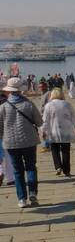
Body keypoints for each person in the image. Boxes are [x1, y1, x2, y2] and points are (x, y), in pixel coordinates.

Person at [0, 76, 43, 207]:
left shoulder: (3, 107)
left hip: (11, 143)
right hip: (29, 141)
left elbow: (0, 127)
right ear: (20, 90)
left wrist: (4, 136)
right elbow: (39, 122)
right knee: (30, 167)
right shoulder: (28, 104)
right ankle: (33, 193)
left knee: (17, 171)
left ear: (9, 91)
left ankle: (22, 199)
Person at [41, 87, 75, 177]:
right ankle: (66, 170)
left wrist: (43, 131)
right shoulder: (67, 104)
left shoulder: (49, 105)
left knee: (55, 150)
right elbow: (74, 117)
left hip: (53, 130)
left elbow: (45, 120)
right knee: (66, 151)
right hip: (66, 131)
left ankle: (58, 166)